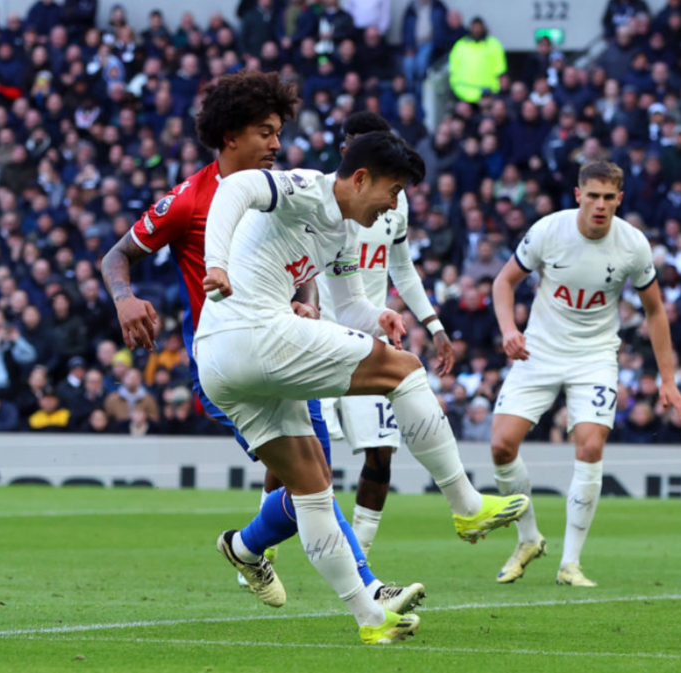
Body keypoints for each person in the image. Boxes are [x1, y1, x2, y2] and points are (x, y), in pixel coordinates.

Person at [196, 131, 529, 644]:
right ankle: (466, 506)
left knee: (311, 490)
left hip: (219, 363)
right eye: (392, 191)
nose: (394, 206)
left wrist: (378, 314)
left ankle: (371, 619)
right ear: (359, 178)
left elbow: (347, 303)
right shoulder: (305, 187)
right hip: (251, 330)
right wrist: (215, 262)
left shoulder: (348, 232)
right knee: (404, 370)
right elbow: (235, 189)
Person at [99, 72, 410, 604]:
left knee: (305, 479)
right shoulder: (187, 200)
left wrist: (306, 300)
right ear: (229, 137)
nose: (277, 144)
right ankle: (367, 589)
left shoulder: (286, 189)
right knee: (308, 475)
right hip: (227, 359)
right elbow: (116, 255)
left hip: (284, 343)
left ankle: (245, 548)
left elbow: (306, 257)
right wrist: (125, 298)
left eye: (278, 132)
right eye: (265, 132)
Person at [489, 160, 681, 587]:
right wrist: (509, 330)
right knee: (501, 446)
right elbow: (503, 282)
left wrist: (668, 381)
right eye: (593, 196)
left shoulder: (633, 245)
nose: (600, 205)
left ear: (620, 199)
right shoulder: (548, 230)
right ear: (578, 195)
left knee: (590, 445)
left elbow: (655, 311)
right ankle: (528, 539)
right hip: (539, 351)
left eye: (609, 198)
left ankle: (570, 563)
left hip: (594, 356)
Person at [315, 111, 456, 558]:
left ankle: (360, 558)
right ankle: (263, 546)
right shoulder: (319, 197)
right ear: (346, 152)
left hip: (370, 339)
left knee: (380, 454)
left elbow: (402, 269)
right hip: (314, 336)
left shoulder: (396, 202)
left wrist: (434, 325)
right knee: (302, 450)